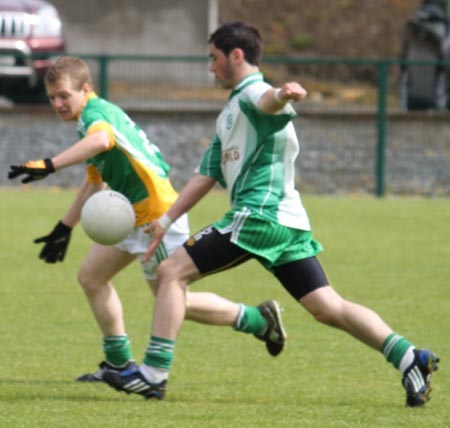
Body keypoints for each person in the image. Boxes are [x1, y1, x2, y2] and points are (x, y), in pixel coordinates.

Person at [101, 22, 440, 407]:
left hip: (259, 216)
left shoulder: (252, 95)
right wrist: (164, 222)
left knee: (170, 272)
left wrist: (283, 94)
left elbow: (269, 101)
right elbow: (206, 176)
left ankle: (153, 375)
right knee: (327, 307)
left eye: (213, 59)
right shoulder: (229, 113)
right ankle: (411, 357)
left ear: (237, 56)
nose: (210, 68)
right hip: (285, 221)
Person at [7, 56, 288, 382]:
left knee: (174, 300)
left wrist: (49, 164)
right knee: (92, 278)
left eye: (64, 96)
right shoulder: (93, 117)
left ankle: (257, 320)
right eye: (52, 97)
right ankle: (118, 364)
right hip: (131, 216)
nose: (57, 103)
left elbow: (100, 140)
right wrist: (64, 227)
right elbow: (95, 182)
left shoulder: (96, 116)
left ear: (85, 90)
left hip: (157, 216)